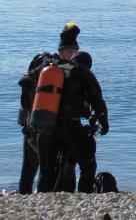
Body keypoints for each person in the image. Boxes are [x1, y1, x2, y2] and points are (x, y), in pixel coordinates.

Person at [19, 23, 109, 193]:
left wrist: (27, 117)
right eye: (71, 51)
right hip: (67, 127)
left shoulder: (45, 69)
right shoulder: (79, 72)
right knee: (87, 165)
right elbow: (97, 99)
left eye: (74, 51)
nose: (73, 54)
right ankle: (85, 197)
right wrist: (104, 121)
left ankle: (41, 200)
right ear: (66, 51)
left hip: (42, 127)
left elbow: (24, 83)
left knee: (45, 170)